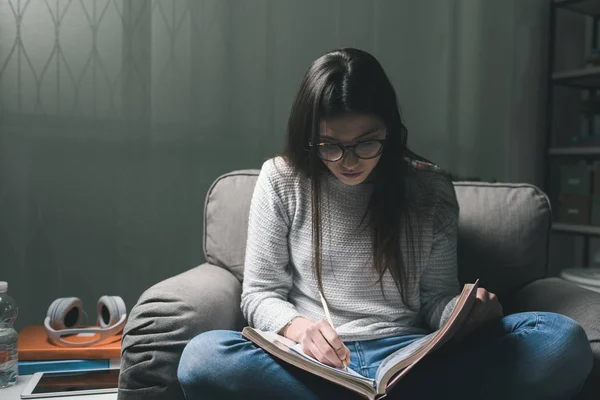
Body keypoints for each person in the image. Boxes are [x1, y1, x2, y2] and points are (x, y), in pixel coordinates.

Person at [177, 48, 593, 399]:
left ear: (390, 131)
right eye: (330, 146)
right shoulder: (282, 179)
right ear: (310, 136)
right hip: (313, 362)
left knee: (560, 340)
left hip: (409, 357)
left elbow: (434, 300)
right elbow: (260, 294)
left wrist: (466, 314)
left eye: (367, 142)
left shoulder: (428, 189)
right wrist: (299, 329)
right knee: (203, 357)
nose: (350, 160)